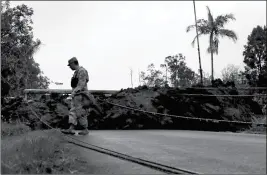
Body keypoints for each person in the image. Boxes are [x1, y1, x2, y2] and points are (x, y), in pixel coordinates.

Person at [62, 57, 92, 135]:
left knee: (78, 112)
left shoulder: (82, 71)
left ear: (73, 63)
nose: (69, 67)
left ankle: (83, 129)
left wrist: (72, 94)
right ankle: (72, 129)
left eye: (70, 65)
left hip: (82, 96)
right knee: (75, 112)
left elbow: (80, 85)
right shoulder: (76, 72)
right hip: (77, 96)